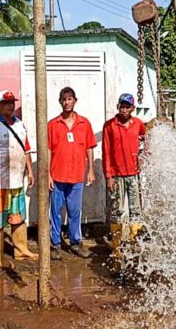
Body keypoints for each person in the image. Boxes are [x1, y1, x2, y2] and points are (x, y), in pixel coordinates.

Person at [0, 90, 38, 267]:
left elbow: (26, 149)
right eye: (6, 103)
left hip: (16, 180)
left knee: (18, 216)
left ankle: (21, 250)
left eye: (12, 102)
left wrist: (29, 170)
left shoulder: (19, 124)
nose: (10, 106)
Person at [48, 87, 97, 260]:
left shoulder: (84, 123)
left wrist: (91, 170)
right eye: (64, 99)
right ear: (60, 102)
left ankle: (76, 242)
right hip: (57, 175)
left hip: (77, 175)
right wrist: (47, 174)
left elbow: (90, 147)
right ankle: (55, 244)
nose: (67, 102)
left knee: (75, 211)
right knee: (55, 210)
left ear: (75, 101)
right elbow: (47, 150)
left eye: (70, 99)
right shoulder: (53, 125)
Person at [102, 93, 147, 261]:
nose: (124, 109)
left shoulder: (138, 124)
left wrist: (143, 158)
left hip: (134, 174)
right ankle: (116, 247)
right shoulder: (110, 126)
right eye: (122, 106)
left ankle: (136, 242)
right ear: (118, 106)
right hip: (117, 174)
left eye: (127, 106)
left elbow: (145, 139)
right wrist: (109, 176)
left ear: (133, 108)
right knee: (117, 210)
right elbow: (106, 152)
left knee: (136, 209)